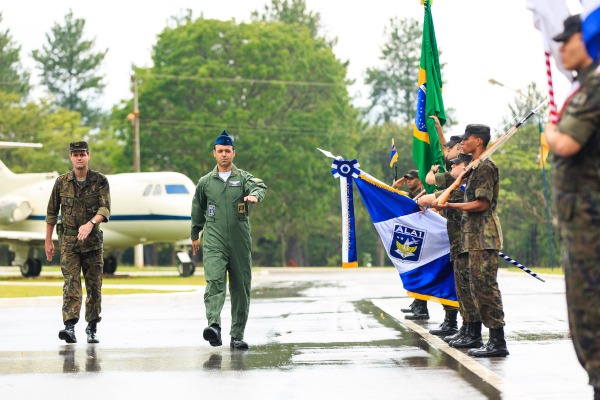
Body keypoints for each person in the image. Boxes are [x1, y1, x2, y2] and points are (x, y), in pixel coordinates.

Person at [543, 15, 600, 398]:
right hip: (579, 227)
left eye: (568, 41)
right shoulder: (583, 89)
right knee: (582, 317)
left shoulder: (595, 88)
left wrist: (549, 131)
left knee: (591, 314)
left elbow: (566, 145)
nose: (560, 48)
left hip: (592, 228)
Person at [433, 124, 508, 357]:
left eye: (466, 139)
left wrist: (451, 205)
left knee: (486, 288)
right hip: (471, 236)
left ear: (478, 141)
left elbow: (482, 203)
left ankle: (497, 341)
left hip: (484, 236)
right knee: (474, 288)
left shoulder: (486, 167)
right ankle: (475, 333)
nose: (462, 143)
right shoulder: (474, 168)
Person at [191, 130, 267, 350]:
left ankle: (237, 335)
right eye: (220, 151)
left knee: (241, 287)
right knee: (214, 281)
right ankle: (213, 326)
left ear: (234, 153)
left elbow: (259, 186)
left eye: (227, 151)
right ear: (214, 154)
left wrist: (255, 196)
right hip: (214, 238)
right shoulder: (206, 182)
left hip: (239, 240)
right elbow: (198, 208)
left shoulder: (242, 178)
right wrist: (195, 234)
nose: (224, 154)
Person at [45, 141, 111, 344]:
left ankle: (92, 327)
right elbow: (51, 212)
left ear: (89, 156)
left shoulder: (100, 181)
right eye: (75, 155)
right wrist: (48, 241)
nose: (79, 158)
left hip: (92, 243)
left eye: (82, 154)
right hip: (69, 243)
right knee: (71, 285)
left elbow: (105, 209)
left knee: (94, 287)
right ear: (71, 157)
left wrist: (91, 223)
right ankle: (70, 327)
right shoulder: (61, 182)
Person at [418, 153, 476, 339]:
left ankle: (471, 331)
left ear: (465, 167)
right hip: (457, 243)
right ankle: (465, 329)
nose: (451, 167)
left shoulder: (460, 189)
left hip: (465, 244)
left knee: (469, 290)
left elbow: (433, 199)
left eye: (455, 164)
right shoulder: (456, 187)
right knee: (461, 288)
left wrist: (418, 202)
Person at [393, 169, 429, 320]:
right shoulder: (412, 195)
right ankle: (418, 303)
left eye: (411, 178)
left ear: (420, 180)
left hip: (423, 238)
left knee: (420, 272)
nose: (408, 181)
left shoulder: (423, 194)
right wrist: (398, 182)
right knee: (416, 272)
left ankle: (422, 308)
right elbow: (393, 194)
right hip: (414, 238)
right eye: (406, 179)